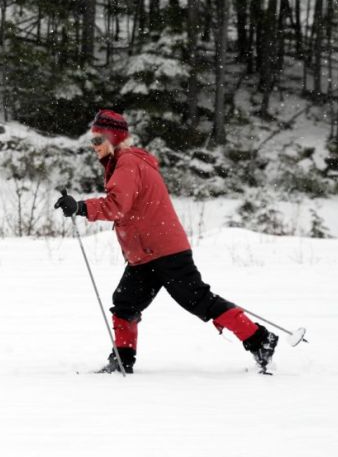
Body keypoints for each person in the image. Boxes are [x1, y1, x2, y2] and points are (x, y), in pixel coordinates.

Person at [56, 109, 278, 374]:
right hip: (146, 253)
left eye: (97, 140)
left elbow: (117, 206)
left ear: (113, 140)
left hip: (164, 250)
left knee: (197, 300)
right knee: (126, 301)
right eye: (91, 140)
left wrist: (80, 207)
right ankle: (122, 360)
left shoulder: (127, 163)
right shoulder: (125, 162)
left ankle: (259, 339)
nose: (93, 147)